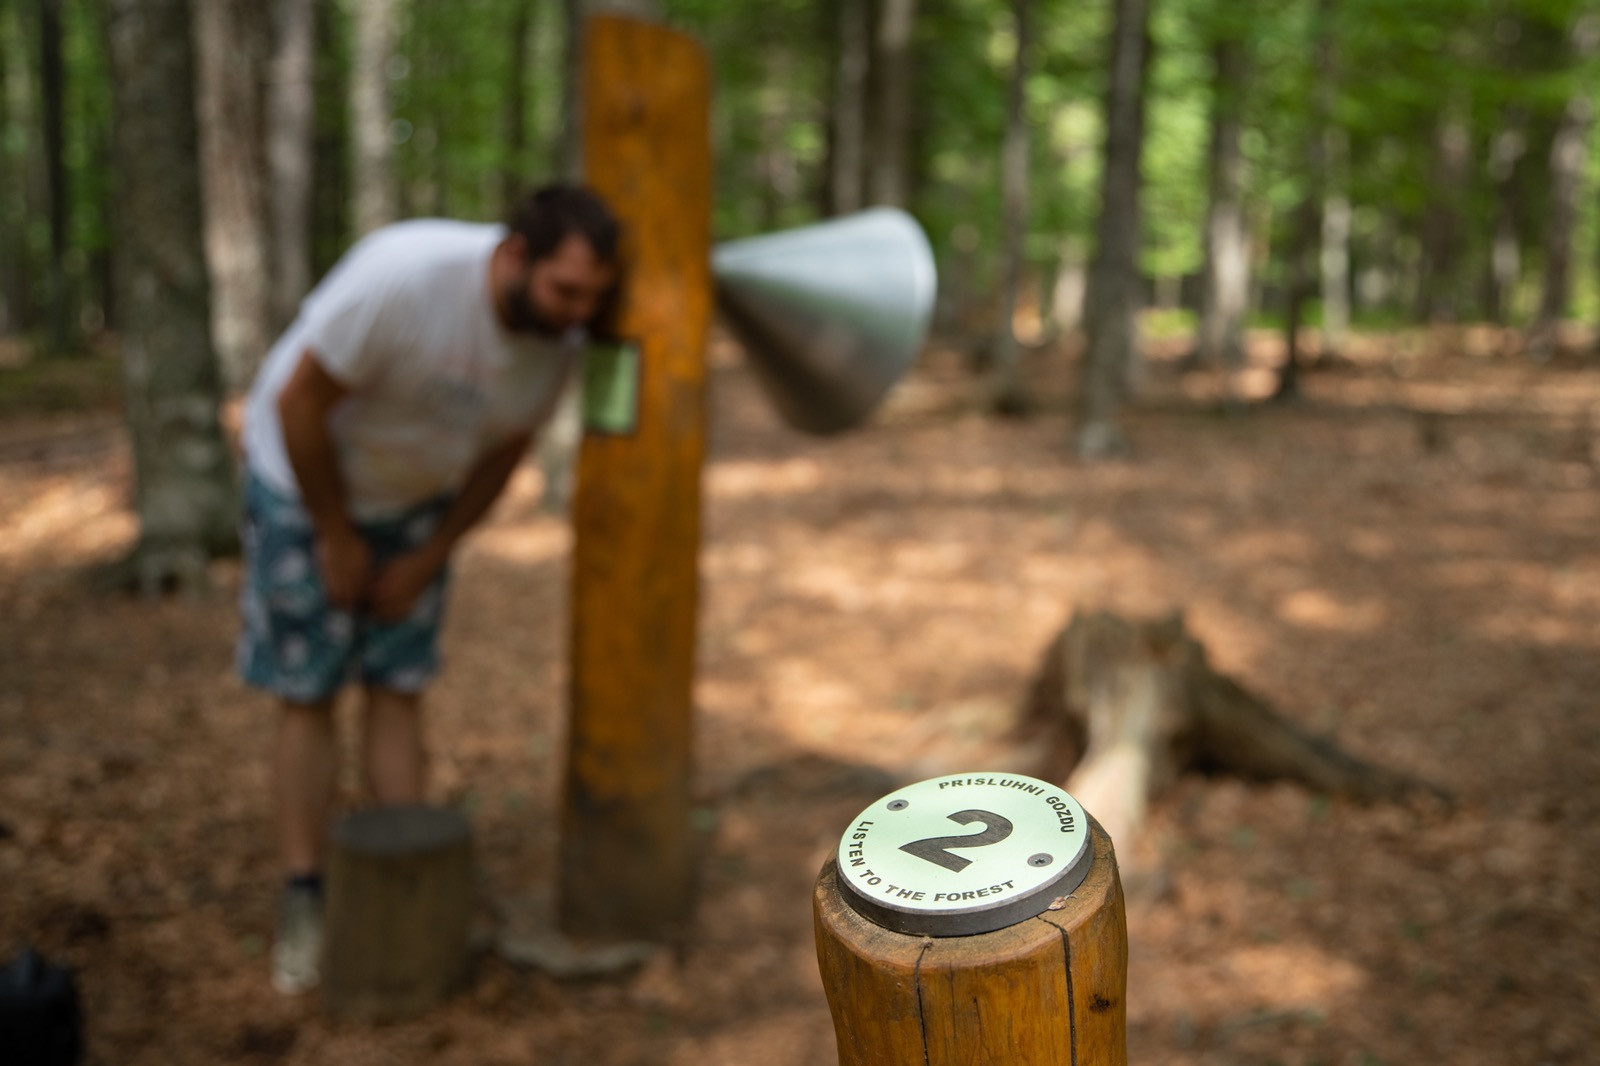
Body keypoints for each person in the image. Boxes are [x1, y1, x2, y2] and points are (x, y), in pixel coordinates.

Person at [235, 183, 623, 994]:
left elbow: (502, 453)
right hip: (303, 486)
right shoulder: (405, 278)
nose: (578, 316)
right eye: (565, 291)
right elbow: (298, 401)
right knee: (310, 691)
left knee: (398, 686)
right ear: (516, 253)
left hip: (416, 509)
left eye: (594, 299)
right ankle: (304, 896)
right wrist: (334, 533)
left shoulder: (555, 349)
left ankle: (406, 880)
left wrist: (434, 550)